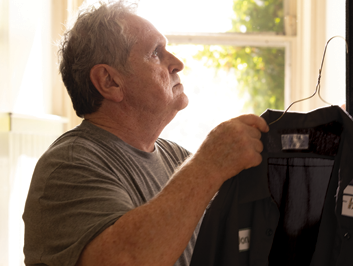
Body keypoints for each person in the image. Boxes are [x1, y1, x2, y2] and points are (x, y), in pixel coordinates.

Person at [21, 1, 269, 266]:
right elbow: (125, 260)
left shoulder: (176, 157)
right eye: (155, 53)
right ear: (109, 81)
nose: (177, 63)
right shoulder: (68, 165)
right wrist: (209, 164)